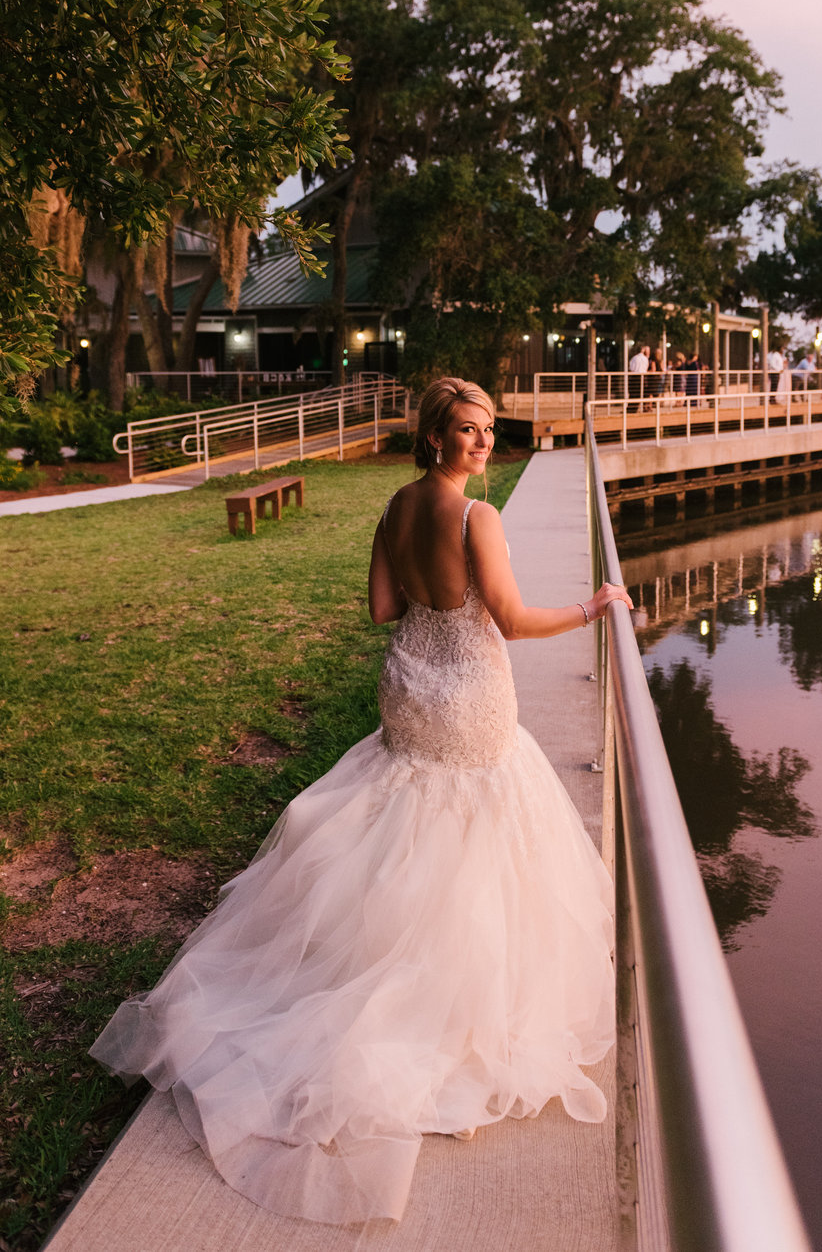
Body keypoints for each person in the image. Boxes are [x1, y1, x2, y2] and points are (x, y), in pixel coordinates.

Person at [90, 378, 630, 1227]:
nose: (483, 442)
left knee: (406, 818)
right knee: (474, 826)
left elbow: (384, 607)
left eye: (489, 429)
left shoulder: (394, 505)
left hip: (409, 685)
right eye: (466, 430)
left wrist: (431, 603)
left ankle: (370, 961)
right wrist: (594, 606)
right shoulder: (474, 517)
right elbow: (516, 623)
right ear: (436, 438)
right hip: (468, 694)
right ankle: (443, 994)